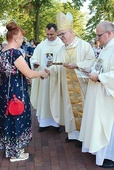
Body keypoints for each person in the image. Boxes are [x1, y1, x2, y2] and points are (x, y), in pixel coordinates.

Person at [0, 21, 49, 162]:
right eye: (21, 38)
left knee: (7, 118)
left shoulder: (2, 52)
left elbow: (15, 72)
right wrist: (42, 73)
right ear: (15, 38)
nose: (22, 41)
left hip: (5, 90)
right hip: (16, 91)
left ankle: (9, 147)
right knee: (16, 117)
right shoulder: (15, 53)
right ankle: (16, 153)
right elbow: (29, 73)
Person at [48, 12, 95, 146]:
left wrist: (77, 65)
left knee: (83, 110)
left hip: (82, 87)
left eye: (63, 34)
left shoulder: (84, 45)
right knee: (69, 109)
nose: (61, 37)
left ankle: (83, 136)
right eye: (60, 34)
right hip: (68, 88)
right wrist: (49, 71)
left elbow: (92, 61)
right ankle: (73, 134)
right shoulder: (62, 50)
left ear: (71, 32)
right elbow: (56, 66)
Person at [79, 21, 114, 168]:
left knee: (106, 126)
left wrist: (99, 77)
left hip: (107, 98)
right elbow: (100, 67)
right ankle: (99, 152)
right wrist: (90, 70)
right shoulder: (106, 49)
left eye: (99, 35)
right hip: (99, 95)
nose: (97, 38)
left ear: (110, 33)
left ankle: (109, 156)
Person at [30, 23, 63, 133]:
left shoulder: (62, 45)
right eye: (47, 34)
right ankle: (43, 123)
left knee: (55, 99)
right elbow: (34, 58)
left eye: (52, 34)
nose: (49, 36)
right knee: (43, 100)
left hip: (56, 78)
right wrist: (34, 63)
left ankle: (56, 123)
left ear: (57, 32)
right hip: (44, 78)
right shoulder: (41, 46)